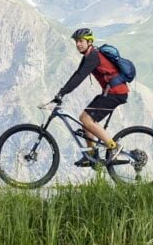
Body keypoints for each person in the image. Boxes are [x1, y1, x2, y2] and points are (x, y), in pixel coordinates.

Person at [51, 27, 129, 167]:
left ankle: (113, 147)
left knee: (86, 119)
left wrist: (62, 93)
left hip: (116, 92)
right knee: (85, 118)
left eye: (81, 41)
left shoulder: (93, 56)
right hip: (111, 92)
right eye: (76, 42)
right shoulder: (89, 55)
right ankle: (91, 155)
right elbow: (77, 74)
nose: (78, 44)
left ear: (89, 42)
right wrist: (61, 92)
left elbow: (80, 77)